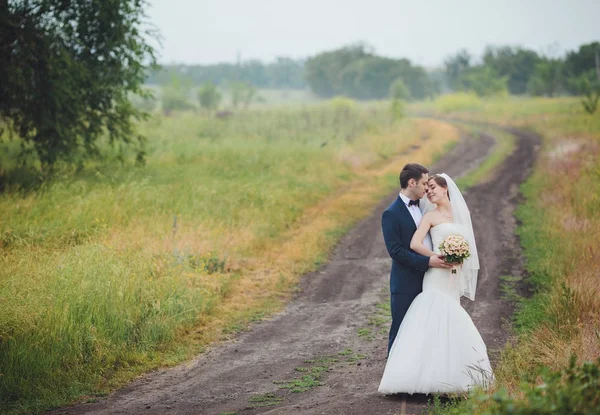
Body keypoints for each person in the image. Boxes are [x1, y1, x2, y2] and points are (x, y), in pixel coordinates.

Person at [378, 173, 494, 395]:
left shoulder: (462, 215)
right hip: (435, 273)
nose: (429, 192)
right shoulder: (430, 216)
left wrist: (459, 259)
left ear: (445, 188)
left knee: (451, 319)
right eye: (427, 187)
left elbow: (468, 246)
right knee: (431, 316)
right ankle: (418, 378)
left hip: (452, 276)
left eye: (432, 187)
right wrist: (436, 257)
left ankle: (454, 377)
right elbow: (414, 243)